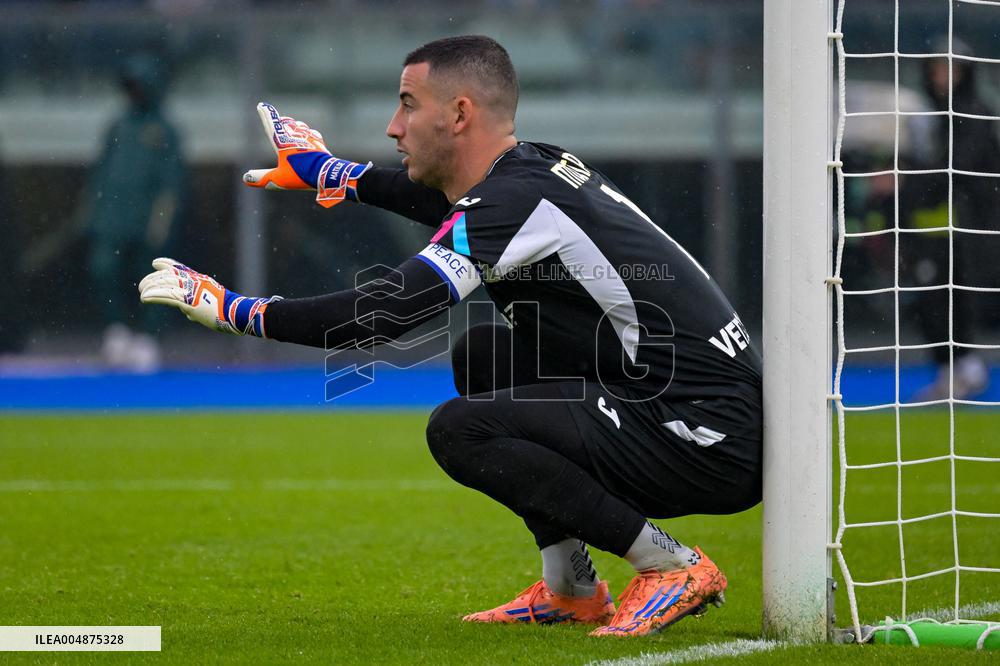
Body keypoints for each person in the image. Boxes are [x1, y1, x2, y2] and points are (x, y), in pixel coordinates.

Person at [139, 36, 761, 637]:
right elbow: (441, 204)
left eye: (408, 104)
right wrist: (331, 171)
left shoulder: (509, 200)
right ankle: (571, 590)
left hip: (703, 434)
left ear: (459, 114)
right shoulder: (528, 172)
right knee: (486, 351)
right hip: (687, 410)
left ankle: (668, 564)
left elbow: (387, 312)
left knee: (459, 429)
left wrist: (235, 309)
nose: (393, 125)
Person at [83, 53, 188, 371]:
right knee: (104, 268)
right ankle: (117, 331)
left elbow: (172, 183)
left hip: (146, 221)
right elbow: (101, 172)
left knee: (153, 280)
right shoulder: (118, 125)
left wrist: (161, 222)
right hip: (113, 219)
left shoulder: (164, 129)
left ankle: (147, 337)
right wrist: (93, 212)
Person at [910, 37, 1000, 401]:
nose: (942, 77)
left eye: (950, 69)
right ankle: (951, 372)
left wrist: (915, 177)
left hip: (969, 231)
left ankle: (967, 369)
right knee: (929, 303)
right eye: (936, 69)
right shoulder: (925, 117)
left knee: (957, 302)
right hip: (931, 229)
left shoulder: (975, 113)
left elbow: (958, 169)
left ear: (966, 74)